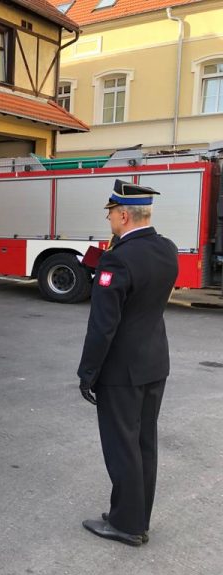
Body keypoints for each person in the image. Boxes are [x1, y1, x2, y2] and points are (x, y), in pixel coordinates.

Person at [78, 179, 178, 547]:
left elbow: (103, 326)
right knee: (143, 445)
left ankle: (126, 525)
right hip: (154, 363)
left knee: (122, 448)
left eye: (110, 214)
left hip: (121, 371)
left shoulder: (117, 257)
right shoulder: (166, 248)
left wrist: (88, 373)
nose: (109, 220)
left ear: (123, 214)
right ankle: (133, 515)